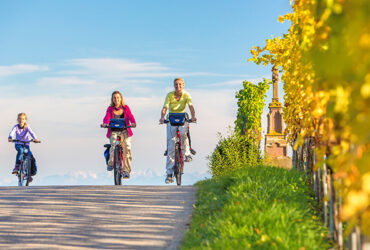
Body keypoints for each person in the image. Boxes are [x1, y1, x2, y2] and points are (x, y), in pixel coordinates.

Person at [159, 78, 197, 184]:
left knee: (184, 135)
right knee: (171, 146)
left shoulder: (186, 95)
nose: (178, 86)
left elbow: (191, 106)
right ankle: (169, 174)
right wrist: (162, 117)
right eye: (176, 84)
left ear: (183, 85)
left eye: (180, 84)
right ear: (173, 85)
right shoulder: (169, 95)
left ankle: (187, 154)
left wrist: (193, 117)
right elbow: (165, 108)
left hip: (182, 118)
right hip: (171, 118)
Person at [102, 91, 136, 179]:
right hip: (113, 131)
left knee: (127, 148)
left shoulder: (125, 108)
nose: (116, 99)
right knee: (114, 145)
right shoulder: (110, 109)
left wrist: (133, 122)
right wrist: (105, 123)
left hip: (125, 131)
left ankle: (126, 171)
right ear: (112, 99)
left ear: (121, 99)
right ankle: (111, 163)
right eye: (114, 98)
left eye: (118, 97)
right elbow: (107, 117)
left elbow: (130, 116)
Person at [8, 113, 40, 182]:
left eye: (23, 119)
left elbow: (32, 133)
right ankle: (16, 167)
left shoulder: (27, 127)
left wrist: (35, 138)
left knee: (29, 156)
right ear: (17, 119)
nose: (21, 120)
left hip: (26, 144)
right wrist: (10, 137)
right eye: (19, 118)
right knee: (21, 150)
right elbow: (12, 132)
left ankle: (29, 174)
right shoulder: (16, 127)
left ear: (25, 120)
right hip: (18, 143)